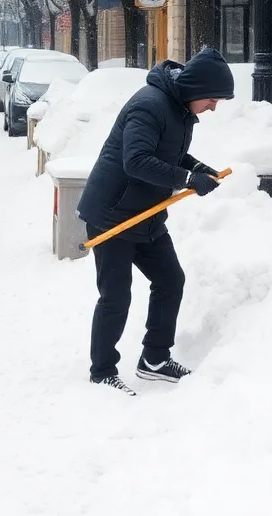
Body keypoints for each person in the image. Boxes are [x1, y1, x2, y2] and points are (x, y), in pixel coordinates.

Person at [76, 47, 235, 395]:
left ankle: (154, 359)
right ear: (195, 89)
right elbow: (136, 161)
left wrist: (194, 167)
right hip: (112, 216)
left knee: (170, 280)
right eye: (212, 98)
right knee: (115, 296)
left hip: (145, 215)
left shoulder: (178, 108)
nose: (214, 106)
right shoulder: (150, 104)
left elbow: (169, 150)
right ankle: (102, 372)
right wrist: (187, 179)